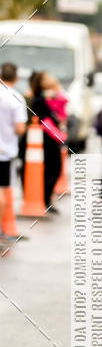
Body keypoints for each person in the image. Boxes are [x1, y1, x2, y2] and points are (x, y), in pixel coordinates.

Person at [31, 71, 64, 212]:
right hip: (46, 139)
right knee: (53, 169)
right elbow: (46, 119)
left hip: (51, 138)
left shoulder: (48, 97)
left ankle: (47, 199)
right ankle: (45, 200)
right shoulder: (39, 100)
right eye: (45, 78)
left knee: (54, 170)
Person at [0, 63, 27, 237]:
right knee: (2, 191)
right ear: (16, 78)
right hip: (4, 152)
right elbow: (19, 128)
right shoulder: (15, 98)